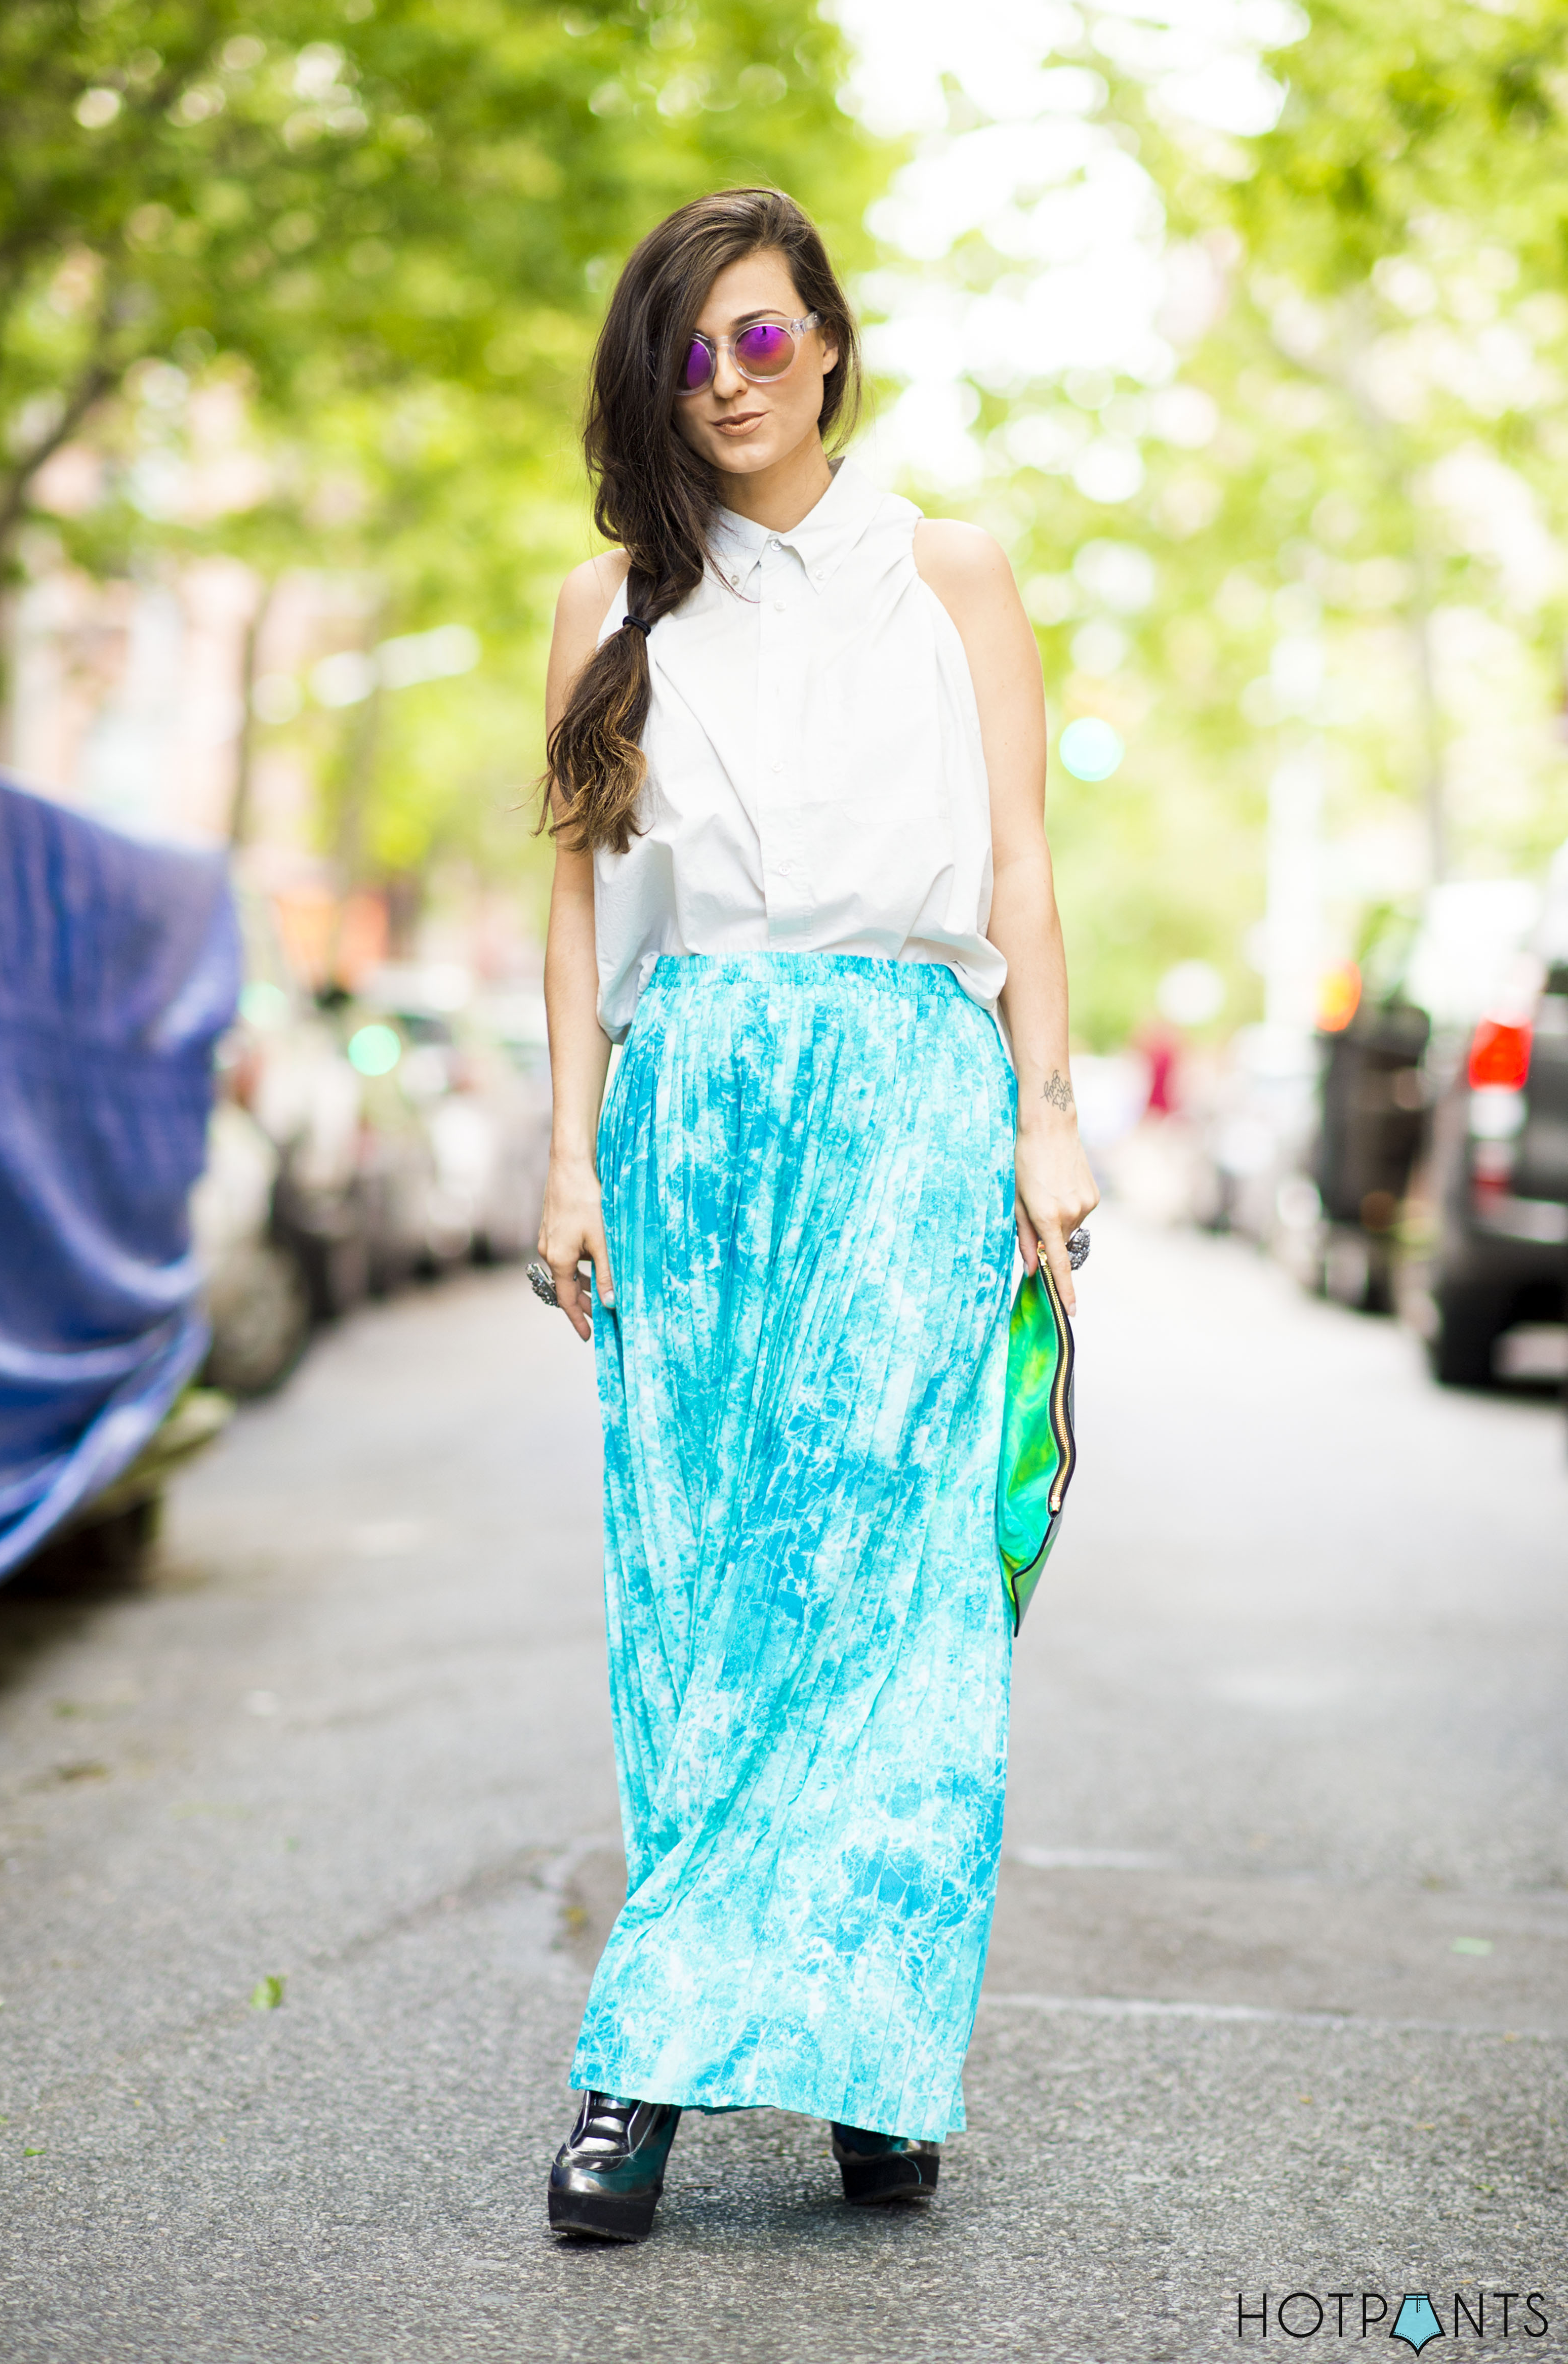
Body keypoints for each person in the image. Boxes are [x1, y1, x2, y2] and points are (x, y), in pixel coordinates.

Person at [532, 186, 1098, 2244]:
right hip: (694, 1108)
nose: (732, 380)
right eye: (691, 352)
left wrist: (1044, 1117)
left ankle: (796, 2048)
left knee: (877, 1584)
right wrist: (569, 1149)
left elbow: (1020, 866)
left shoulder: (948, 568)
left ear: (832, 344)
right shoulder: (611, 605)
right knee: (692, 1587)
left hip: (901, 1092)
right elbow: (587, 902)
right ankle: (683, 2044)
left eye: (764, 337)